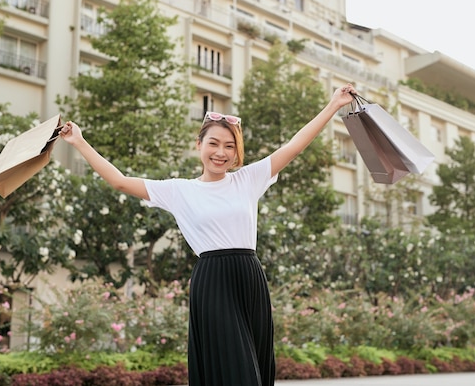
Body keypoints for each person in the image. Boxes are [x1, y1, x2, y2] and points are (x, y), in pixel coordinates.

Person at [59, 83, 357, 386]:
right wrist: (80, 142)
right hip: (213, 280)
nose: (221, 152)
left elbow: (294, 146)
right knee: (237, 370)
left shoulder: (248, 179)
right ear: (198, 144)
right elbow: (120, 181)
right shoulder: (179, 190)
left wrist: (333, 105)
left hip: (250, 277)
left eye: (230, 146)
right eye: (214, 143)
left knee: (254, 362)